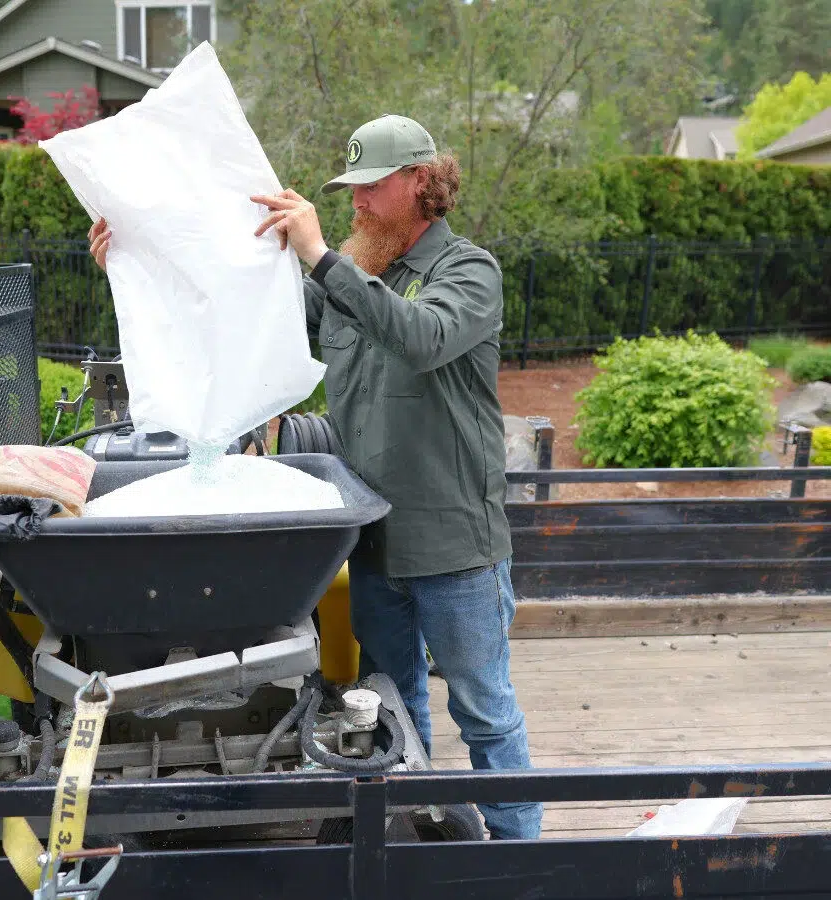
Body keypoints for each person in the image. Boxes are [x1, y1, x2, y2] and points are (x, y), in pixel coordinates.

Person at [85, 114, 541, 841]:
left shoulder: (468, 271)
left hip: (455, 547)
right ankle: (409, 840)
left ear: (420, 183)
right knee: (389, 703)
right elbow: (242, 324)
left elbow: (422, 339)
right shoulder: (348, 282)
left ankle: (519, 857)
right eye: (350, 189)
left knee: (484, 711)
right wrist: (137, 269)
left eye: (370, 187)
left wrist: (322, 256)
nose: (356, 202)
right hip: (373, 542)